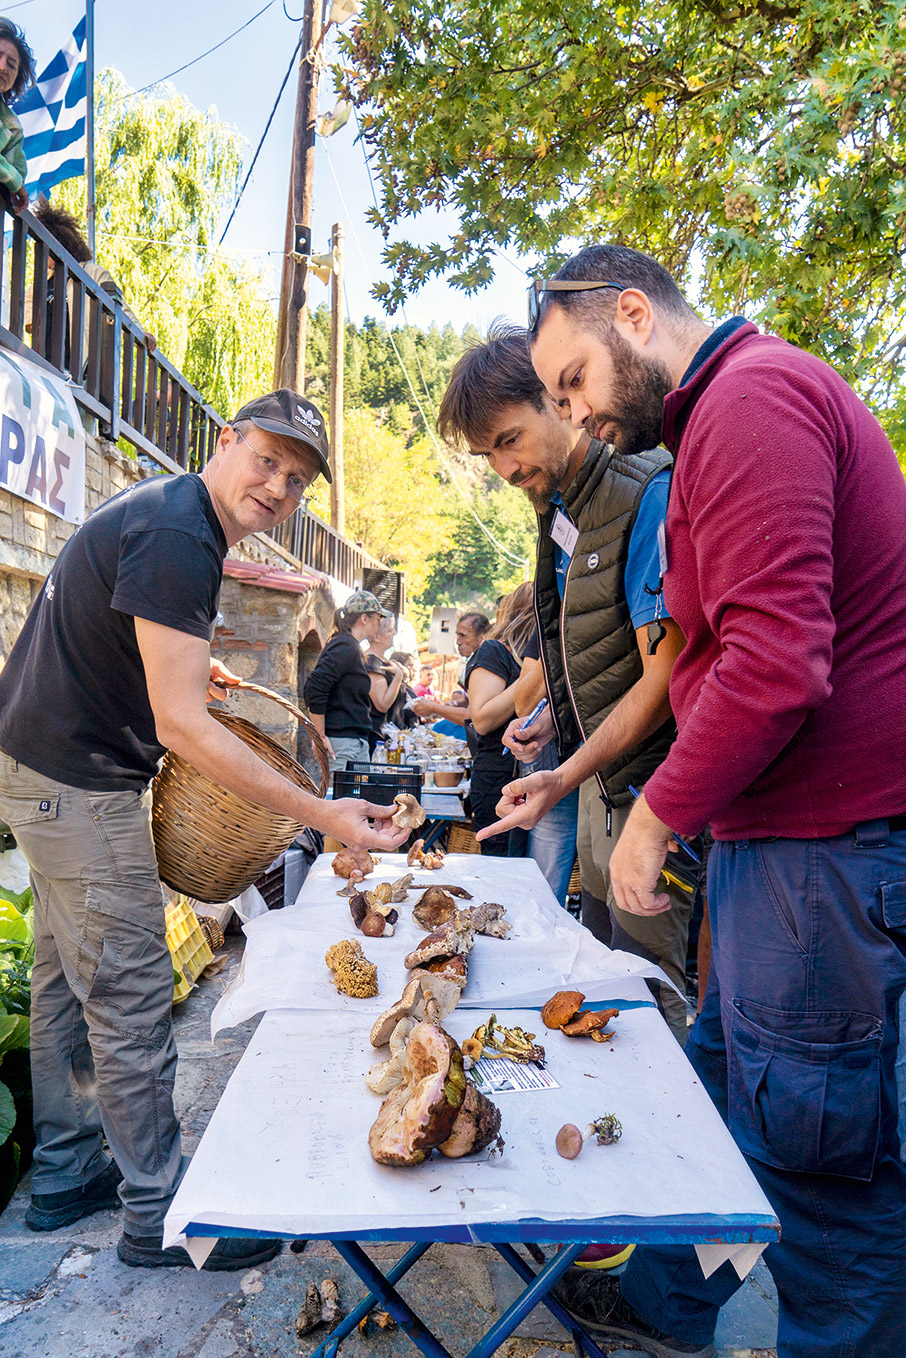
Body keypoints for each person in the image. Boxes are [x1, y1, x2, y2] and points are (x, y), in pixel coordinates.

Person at [529, 243, 906, 1358]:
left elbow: (776, 660)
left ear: (634, 315)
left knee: (821, 1165)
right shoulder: (718, 419)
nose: (576, 417)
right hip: (777, 851)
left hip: (821, 855)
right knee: (724, 1102)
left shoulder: (751, 400)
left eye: (574, 385)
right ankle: (665, 1304)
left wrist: (654, 815)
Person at [0, 389, 408, 1270]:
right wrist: (321, 812)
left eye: (296, 481)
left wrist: (196, 666)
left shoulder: (169, 513)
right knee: (130, 992)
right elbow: (182, 726)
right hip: (79, 781)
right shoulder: (185, 534)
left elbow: (133, 638)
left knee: (68, 985)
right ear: (227, 442)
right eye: (267, 460)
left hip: (34, 767)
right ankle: (162, 1219)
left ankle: (67, 1176)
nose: (278, 487)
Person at [438, 325, 692, 1045]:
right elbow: (595, 649)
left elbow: (665, 675)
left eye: (509, 440)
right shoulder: (559, 511)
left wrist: (564, 773)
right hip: (596, 792)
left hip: (647, 799)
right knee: (602, 981)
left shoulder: (644, 487)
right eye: (488, 453)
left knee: (649, 1001)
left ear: (558, 400)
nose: (503, 467)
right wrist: (554, 715)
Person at [31, 200, 157, 371]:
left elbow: (117, 307)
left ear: (57, 243)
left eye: (42, 244)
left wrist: (141, 334)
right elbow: (26, 310)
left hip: (78, 366)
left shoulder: (92, 272)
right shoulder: (44, 279)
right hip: (45, 363)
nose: (39, 252)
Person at [303, 590, 388, 771]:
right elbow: (315, 686)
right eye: (378, 619)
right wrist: (319, 736)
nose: (379, 625)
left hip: (352, 742)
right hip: (342, 745)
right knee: (341, 798)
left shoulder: (350, 646)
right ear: (364, 619)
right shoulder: (346, 646)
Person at [0, 19, 34, 215]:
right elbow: (14, 179)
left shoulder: (11, 126)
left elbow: (18, 174)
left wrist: (14, 181)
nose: (3, 66)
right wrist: (12, 179)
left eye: (11, 65)